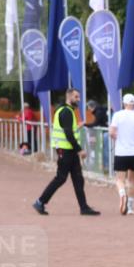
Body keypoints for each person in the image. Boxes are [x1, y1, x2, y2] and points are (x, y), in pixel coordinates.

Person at [32, 87, 100, 216]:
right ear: (69, 97)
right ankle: (40, 202)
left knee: (78, 179)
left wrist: (77, 128)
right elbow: (68, 133)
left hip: (69, 150)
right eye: (76, 97)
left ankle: (84, 207)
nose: (78, 100)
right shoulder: (66, 111)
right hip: (65, 150)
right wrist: (79, 150)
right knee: (61, 178)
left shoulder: (65, 110)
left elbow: (69, 130)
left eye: (78, 97)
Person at [110, 93, 134, 215]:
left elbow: (112, 132)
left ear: (124, 103)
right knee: (132, 180)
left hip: (121, 152)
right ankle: (130, 206)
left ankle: (122, 194)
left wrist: (119, 138)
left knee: (120, 179)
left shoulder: (117, 115)